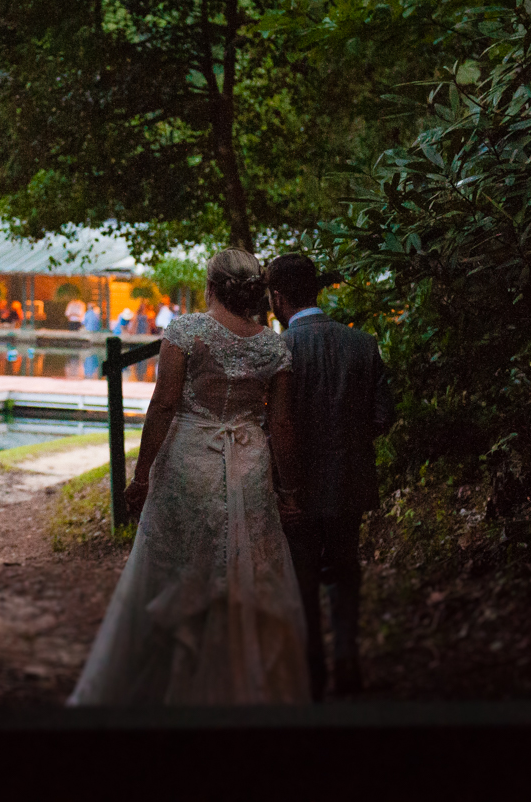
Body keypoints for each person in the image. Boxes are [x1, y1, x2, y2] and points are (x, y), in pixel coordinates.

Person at [68, 249, 310, 705]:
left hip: (190, 460)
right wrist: (289, 492)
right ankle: (240, 684)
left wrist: (140, 478)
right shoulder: (273, 346)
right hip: (250, 465)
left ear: (213, 286)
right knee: (245, 564)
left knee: (177, 564)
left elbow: (163, 405)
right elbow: (280, 425)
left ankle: (169, 681)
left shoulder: (186, 332)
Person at [266, 254, 394, 699]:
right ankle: (347, 660)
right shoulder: (363, 344)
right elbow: (383, 416)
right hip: (348, 482)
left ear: (277, 297)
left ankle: (311, 668)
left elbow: (268, 426)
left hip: (294, 489)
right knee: (344, 571)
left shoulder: (278, 350)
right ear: (316, 290)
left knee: (300, 577)